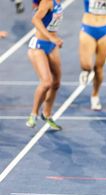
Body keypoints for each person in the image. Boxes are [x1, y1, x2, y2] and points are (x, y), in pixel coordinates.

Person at [26, 0, 64, 130]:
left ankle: (46, 113)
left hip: (52, 46)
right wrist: (51, 37)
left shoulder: (59, 2)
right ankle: (33, 114)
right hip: (39, 46)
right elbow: (35, 20)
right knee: (46, 82)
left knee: (56, 83)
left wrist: (54, 39)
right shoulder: (48, 1)